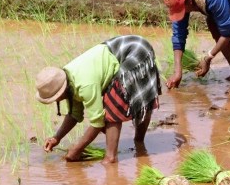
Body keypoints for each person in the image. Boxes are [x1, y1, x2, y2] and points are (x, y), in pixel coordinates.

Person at [37, 34, 161, 163]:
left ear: (61, 91)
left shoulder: (85, 85)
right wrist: (56, 138)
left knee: (114, 104)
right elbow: (74, 115)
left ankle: (111, 157)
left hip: (136, 50)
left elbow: (97, 122)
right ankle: (139, 145)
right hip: (121, 49)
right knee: (117, 103)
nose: (56, 100)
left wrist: (77, 149)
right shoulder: (68, 81)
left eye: (54, 98)